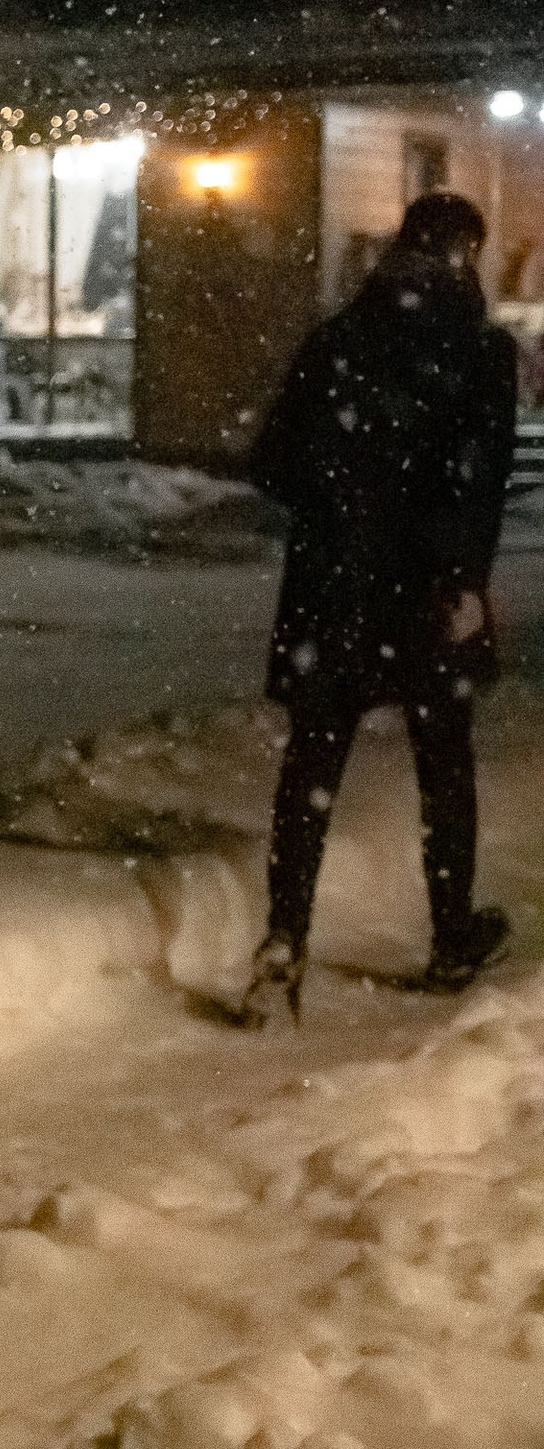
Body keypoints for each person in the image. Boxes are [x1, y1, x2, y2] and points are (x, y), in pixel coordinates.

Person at [236, 185, 517, 1022]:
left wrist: (343, 504)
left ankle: (284, 941)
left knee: (311, 768)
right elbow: (480, 483)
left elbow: (272, 464)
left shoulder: (339, 341)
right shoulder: (478, 351)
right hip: (428, 591)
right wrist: (461, 578)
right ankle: (449, 940)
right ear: (466, 254)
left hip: (334, 586)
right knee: (445, 766)